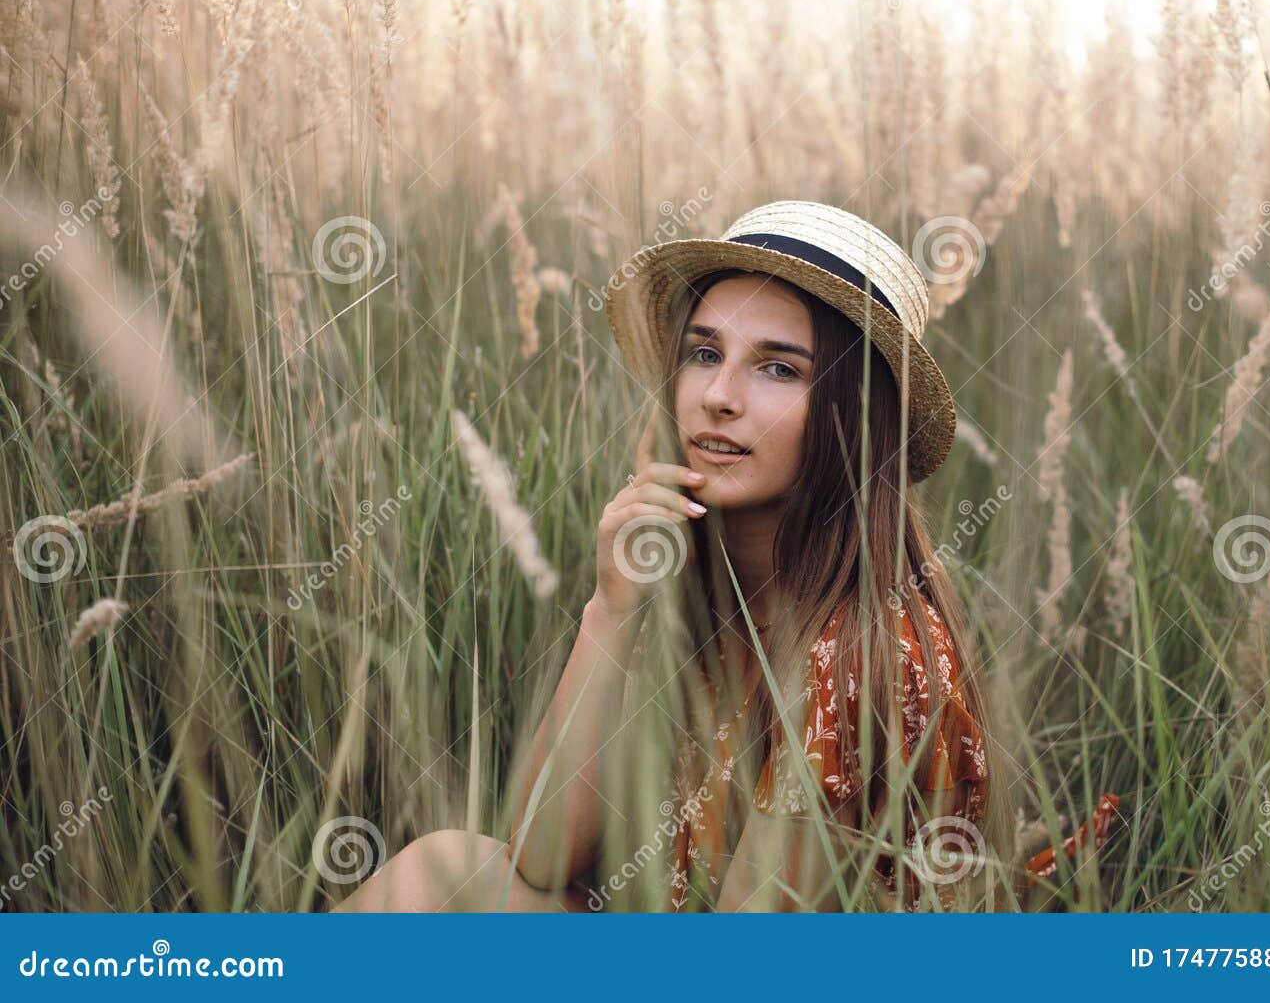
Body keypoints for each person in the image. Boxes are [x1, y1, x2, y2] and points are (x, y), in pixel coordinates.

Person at [335, 201, 1112, 912]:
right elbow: (540, 858)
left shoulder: (862, 655)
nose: (719, 395)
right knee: (438, 869)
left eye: (779, 368)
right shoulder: (690, 593)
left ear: (855, 416)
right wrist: (611, 612)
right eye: (705, 353)